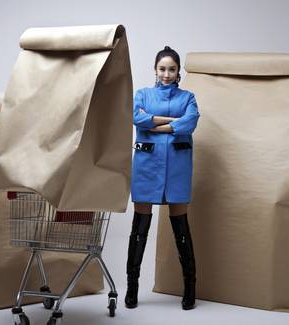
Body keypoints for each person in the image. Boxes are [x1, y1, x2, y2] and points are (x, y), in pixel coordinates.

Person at [125, 46, 200, 310]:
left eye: (172, 69)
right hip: (146, 167)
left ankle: (189, 289)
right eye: (162, 69)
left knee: (181, 229)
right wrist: (173, 123)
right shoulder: (142, 94)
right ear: (155, 70)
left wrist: (155, 124)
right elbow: (135, 117)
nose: (166, 74)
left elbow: (191, 122)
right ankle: (131, 289)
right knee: (139, 230)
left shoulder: (188, 97)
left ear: (179, 71)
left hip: (177, 168)